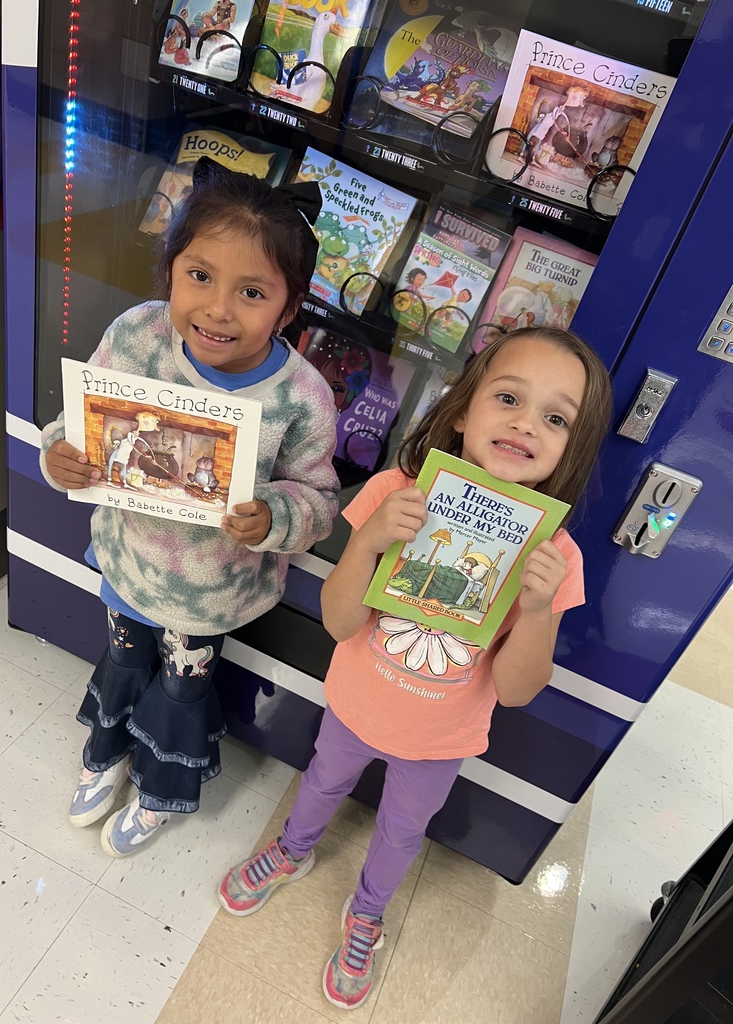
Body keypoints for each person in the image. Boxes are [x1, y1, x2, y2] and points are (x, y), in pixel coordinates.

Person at [217, 326, 612, 1010]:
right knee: (320, 781)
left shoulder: (556, 558)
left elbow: (517, 691)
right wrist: (369, 539)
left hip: (441, 740)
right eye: (508, 398)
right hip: (355, 705)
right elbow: (340, 623)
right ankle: (291, 849)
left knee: (403, 830)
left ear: (570, 449)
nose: (525, 425)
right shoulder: (397, 492)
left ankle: (367, 912)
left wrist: (541, 608)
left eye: (555, 419)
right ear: (463, 410)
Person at [39, 158, 340, 857]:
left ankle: (161, 787)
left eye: (253, 292)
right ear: (170, 270)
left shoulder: (300, 397)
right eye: (199, 276)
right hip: (126, 564)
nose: (217, 309)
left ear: (289, 309)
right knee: (120, 662)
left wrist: (275, 516)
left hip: (210, 596)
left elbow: (319, 501)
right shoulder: (137, 335)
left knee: (180, 691)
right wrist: (62, 453)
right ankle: (106, 749)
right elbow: (80, 425)